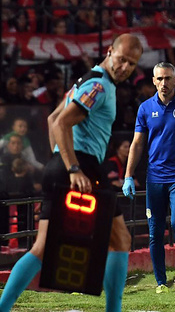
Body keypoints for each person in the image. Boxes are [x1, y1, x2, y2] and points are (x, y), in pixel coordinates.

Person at [0, 33, 143, 312]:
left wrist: (59, 161)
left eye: (132, 64)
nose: (125, 67)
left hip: (64, 166)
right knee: (121, 239)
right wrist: (73, 167)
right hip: (84, 167)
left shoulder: (87, 79)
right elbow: (63, 123)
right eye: (122, 59)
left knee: (41, 248)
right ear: (110, 51)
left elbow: (53, 118)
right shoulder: (99, 86)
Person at [122, 62, 175, 294]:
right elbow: (137, 143)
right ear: (153, 81)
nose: (164, 83)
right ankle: (161, 282)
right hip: (155, 178)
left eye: (168, 78)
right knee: (155, 231)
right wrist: (128, 175)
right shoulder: (144, 108)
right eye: (159, 79)